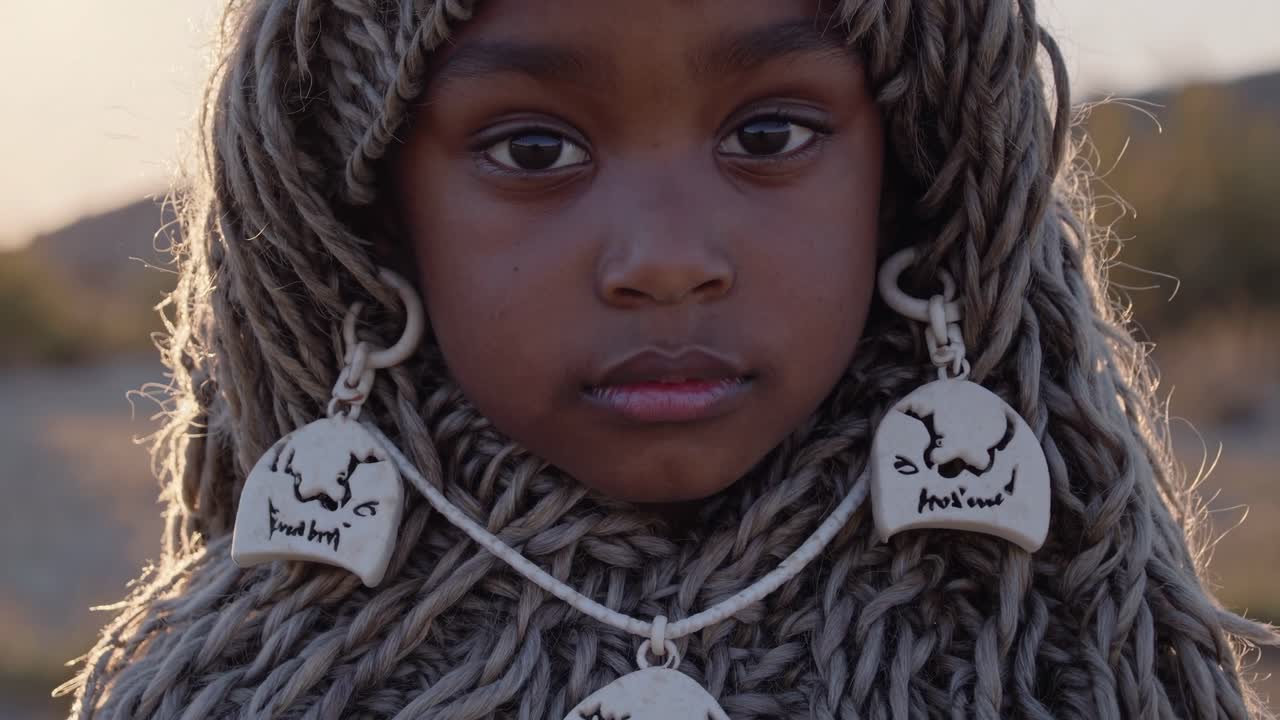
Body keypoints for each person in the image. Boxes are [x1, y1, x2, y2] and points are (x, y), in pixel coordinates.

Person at [61, 1, 1278, 717]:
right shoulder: (258, 685)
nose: (665, 259)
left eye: (767, 134)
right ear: (368, 216)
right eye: (532, 151)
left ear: (912, 176)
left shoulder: (1053, 652)